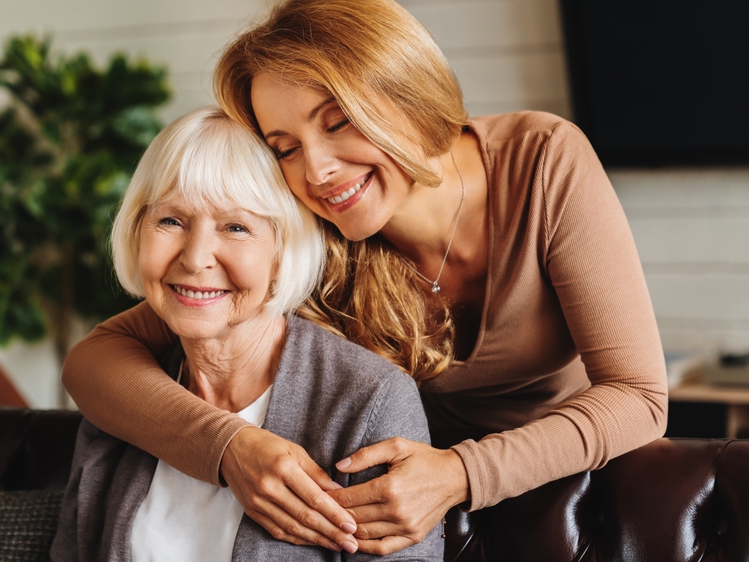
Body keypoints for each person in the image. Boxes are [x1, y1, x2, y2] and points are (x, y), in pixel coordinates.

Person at [61, 0, 669, 555]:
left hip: (568, 482)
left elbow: (639, 397)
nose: (317, 172)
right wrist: (229, 448)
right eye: (284, 147)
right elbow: (96, 361)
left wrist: (459, 474)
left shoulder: (542, 161)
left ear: (405, 89)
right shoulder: (314, 229)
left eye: (337, 121)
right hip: (399, 504)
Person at [50, 106, 443, 561]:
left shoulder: (369, 401)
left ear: (283, 249)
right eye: (170, 221)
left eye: (236, 227)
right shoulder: (123, 399)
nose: (195, 258)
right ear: (137, 231)